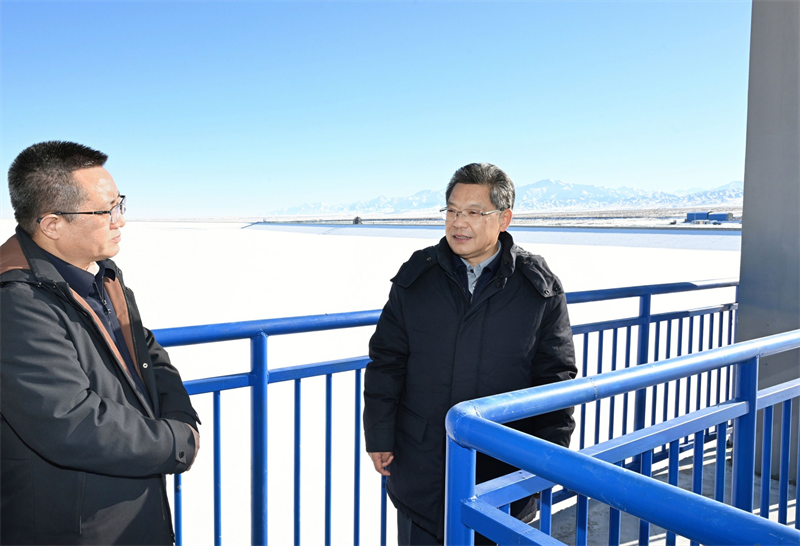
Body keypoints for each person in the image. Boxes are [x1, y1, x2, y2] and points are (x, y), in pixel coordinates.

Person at [363, 163, 577, 545]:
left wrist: (549, 458)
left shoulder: (537, 288)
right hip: (422, 468)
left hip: (503, 472)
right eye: (452, 210)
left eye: (474, 212)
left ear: (504, 219)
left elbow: (555, 378)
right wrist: (379, 434)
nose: (458, 222)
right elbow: (387, 361)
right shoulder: (417, 278)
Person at [0, 141, 200, 546]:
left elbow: (147, 352)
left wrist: (181, 416)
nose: (120, 220)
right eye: (106, 211)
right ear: (52, 225)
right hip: (79, 526)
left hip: (132, 511)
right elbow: (70, 421)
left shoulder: (100, 276)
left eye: (119, 204)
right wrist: (174, 442)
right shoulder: (17, 303)